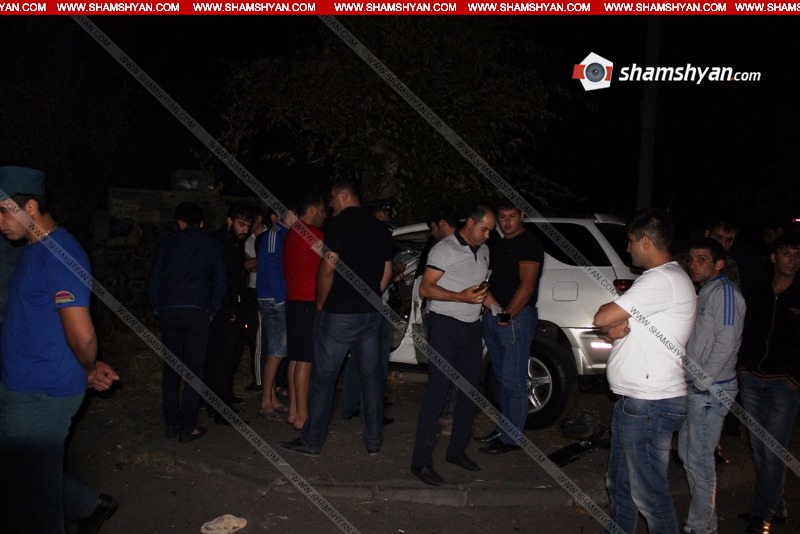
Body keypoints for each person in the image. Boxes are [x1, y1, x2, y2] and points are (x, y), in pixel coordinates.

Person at [0, 166, 120, 533]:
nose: (0, 222)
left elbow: (82, 336)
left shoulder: (60, 252)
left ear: (30, 207)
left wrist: (88, 367)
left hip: (42, 392)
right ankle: (89, 506)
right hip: (21, 383)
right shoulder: (32, 249)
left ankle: (86, 508)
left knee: (34, 499)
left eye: (3, 212)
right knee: (25, 475)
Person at [593, 208, 696, 534]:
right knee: (620, 485)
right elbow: (615, 326)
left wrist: (611, 324)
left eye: (631, 241)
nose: (628, 248)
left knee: (648, 495)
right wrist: (613, 328)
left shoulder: (661, 279)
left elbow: (602, 317)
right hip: (636, 401)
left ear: (646, 242)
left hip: (650, 404)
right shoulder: (663, 279)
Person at [280, 179, 393, 457]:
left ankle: (313, 441)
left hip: (339, 314)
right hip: (370, 314)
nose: (330, 204)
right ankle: (373, 441)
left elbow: (328, 268)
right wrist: (371, 295)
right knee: (371, 379)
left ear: (343, 196)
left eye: (332, 198)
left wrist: (321, 304)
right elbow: (387, 272)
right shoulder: (380, 228)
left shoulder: (339, 225)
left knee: (324, 379)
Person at [410, 204, 496, 486]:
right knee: (437, 393)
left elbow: (480, 290)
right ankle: (420, 463)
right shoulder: (444, 249)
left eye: (490, 231)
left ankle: (456, 451)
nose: (487, 235)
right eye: (484, 229)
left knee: (470, 392)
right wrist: (460, 297)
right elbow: (426, 288)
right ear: (470, 223)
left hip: (472, 328)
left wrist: (500, 311)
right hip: (445, 326)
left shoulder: (484, 250)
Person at [676, 237, 745, 534]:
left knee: (700, 461)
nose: (693, 264)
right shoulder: (706, 291)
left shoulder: (726, 294)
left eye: (701, 259)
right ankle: (707, 522)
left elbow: (726, 343)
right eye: (691, 259)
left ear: (719, 264)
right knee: (688, 453)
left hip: (711, 391)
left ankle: (700, 527)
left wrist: (703, 382)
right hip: (700, 388)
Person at [736, 233, 800, 534]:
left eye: (797, 255)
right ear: (774, 257)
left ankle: (762, 515)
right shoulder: (757, 291)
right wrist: (742, 367)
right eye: (786, 253)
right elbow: (743, 330)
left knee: (772, 451)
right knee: (759, 447)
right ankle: (775, 504)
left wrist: (794, 377)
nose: (792, 259)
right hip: (752, 380)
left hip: (783, 386)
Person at [147, 201, 226, 443]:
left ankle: (171, 424)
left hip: (170, 310)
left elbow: (154, 278)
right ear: (201, 223)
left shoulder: (167, 243)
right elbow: (221, 283)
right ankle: (187, 427)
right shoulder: (212, 245)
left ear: (180, 223)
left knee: (171, 369)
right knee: (194, 370)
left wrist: (158, 308)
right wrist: (212, 310)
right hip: (197, 310)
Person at [475, 199, 543, 454]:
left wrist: (506, 316)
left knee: (513, 381)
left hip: (515, 319)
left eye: (511, 216)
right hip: (495, 316)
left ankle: (511, 439)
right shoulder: (500, 243)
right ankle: (504, 428)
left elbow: (527, 287)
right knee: (502, 378)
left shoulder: (529, 243)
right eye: (502, 217)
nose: (506, 222)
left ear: (522, 215)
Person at [203, 201, 253, 425]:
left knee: (229, 357)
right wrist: (226, 308)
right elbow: (217, 280)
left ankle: (221, 399)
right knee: (220, 359)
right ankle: (220, 409)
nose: (245, 230)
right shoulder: (218, 243)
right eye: (242, 224)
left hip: (234, 306)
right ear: (229, 221)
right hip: (223, 309)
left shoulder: (234, 242)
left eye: (248, 226)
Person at [415, 206, 460, 435]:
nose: (432, 233)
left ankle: (448, 414)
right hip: (437, 312)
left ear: (442, 223)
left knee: (448, 368)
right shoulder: (441, 246)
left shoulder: (457, 246)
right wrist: (425, 306)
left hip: (451, 316)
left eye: (433, 227)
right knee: (440, 367)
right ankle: (443, 411)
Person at [283, 194, 326, 430]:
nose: (324, 215)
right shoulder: (312, 234)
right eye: (322, 210)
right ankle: (303, 416)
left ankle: (293, 411)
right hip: (308, 301)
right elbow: (333, 262)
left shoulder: (291, 233)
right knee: (305, 361)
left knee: (296, 358)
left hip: (293, 301)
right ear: (311, 210)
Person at [256, 208, 296, 420]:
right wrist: (282, 299)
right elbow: (272, 267)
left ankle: (272, 399)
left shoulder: (287, 235)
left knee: (278, 350)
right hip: (273, 299)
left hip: (278, 298)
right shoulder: (274, 234)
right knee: (277, 352)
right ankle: (265, 403)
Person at [243, 209, 268, 393]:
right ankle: (258, 379)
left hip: (270, 291)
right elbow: (248, 266)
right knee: (256, 337)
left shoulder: (270, 235)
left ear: (259, 218)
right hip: (253, 290)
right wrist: (262, 260)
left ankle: (273, 380)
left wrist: (257, 262)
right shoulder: (248, 240)